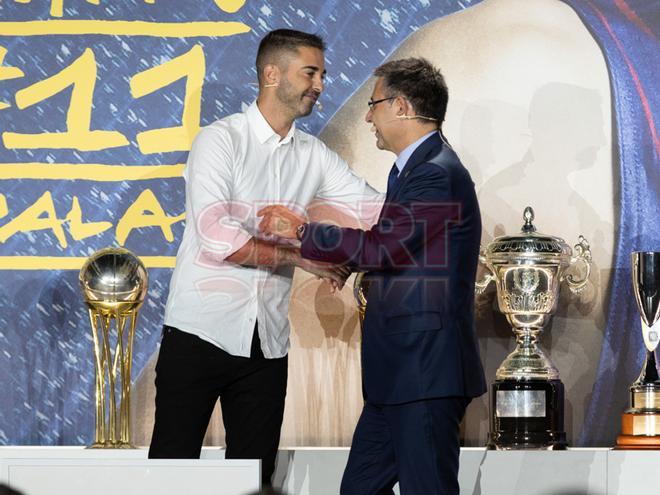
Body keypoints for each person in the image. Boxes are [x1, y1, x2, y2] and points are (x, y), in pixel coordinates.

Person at [148, 29, 381, 487]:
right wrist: (306, 258)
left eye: (322, 75)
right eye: (310, 73)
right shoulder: (220, 141)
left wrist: (428, 184)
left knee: (256, 479)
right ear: (272, 74)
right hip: (199, 331)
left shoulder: (313, 155)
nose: (319, 84)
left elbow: (374, 209)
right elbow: (220, 239)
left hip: (267, 344)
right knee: (171, 475)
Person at [259, 58, 486, 494]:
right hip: (398, 376)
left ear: (401, 106)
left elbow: (383, 247)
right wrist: (350, 267)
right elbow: (396, 251)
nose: (367, 116)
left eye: (374, 104)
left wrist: (303, 230)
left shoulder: (436, 173)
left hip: (423, 372)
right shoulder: (414, 169)